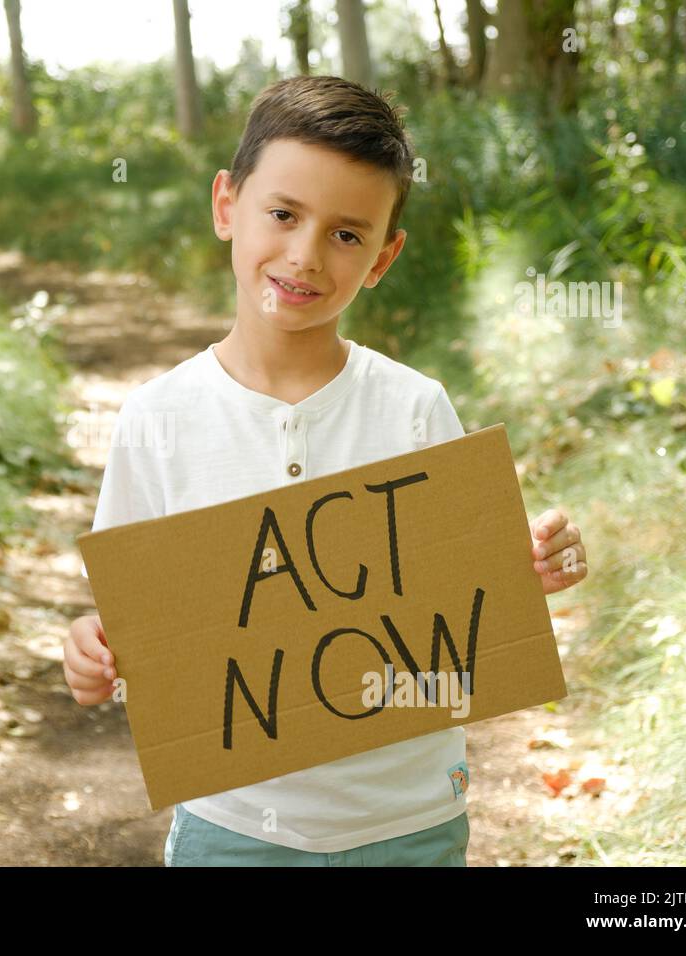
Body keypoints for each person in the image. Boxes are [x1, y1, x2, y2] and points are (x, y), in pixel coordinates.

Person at [61, 75, 588, 866]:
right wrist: (90, 652)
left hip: (408, 824)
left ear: (384, 256)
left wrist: (536, 564)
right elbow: (132, 623)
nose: (305, 256)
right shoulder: (156, 420)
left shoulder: (414, 409)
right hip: (231, 827)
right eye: (283, 215)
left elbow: (467, 601)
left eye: (348, 235)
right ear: (226, 206)